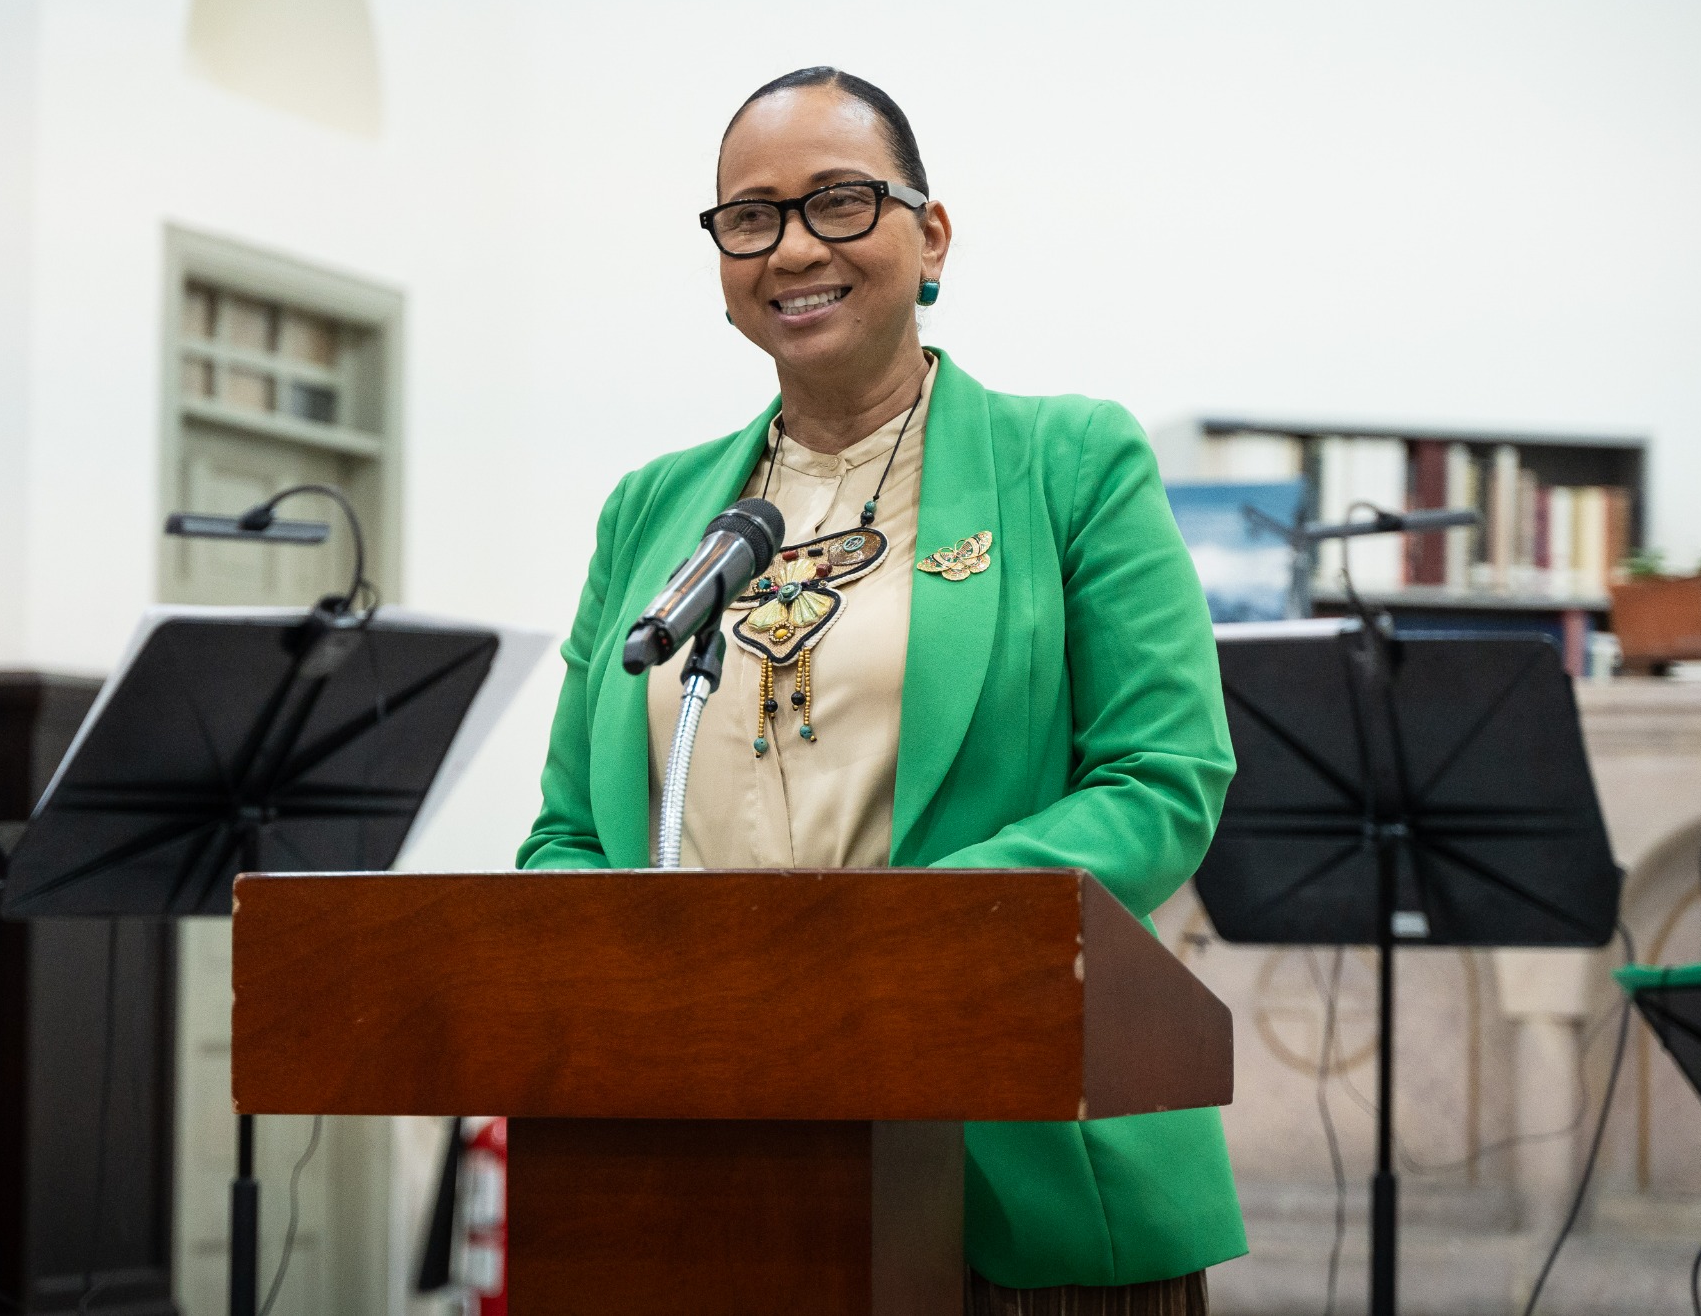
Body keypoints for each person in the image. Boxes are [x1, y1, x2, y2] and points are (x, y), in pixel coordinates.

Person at [518, 66, 1244, 1314]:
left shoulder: (1067, 461)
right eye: (750, 216)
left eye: (841, 201)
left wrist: (878, 954)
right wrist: (644, 977)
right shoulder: (651, 508)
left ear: (932, 234)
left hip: (1007, 1172)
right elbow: (569, 836)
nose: (793, 245)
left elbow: (1161, 779)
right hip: (704, 1160)